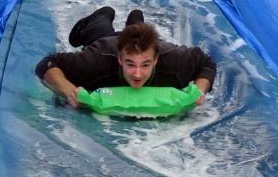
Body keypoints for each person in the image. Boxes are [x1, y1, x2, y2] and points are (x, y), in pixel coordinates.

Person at [35, 7, 216, 108]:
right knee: (100, 30)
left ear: (155, 60)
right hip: (106, 41)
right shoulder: (97, 60)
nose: (137, 74)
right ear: (120, 59)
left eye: (145, 65)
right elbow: (47, 64)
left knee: (139, 35)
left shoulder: (174, 60)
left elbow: (206, 63)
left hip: (143, 45)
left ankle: (136, 21)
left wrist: (200, 89)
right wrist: (69, 91)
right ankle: (103, 14)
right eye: (130, 64)